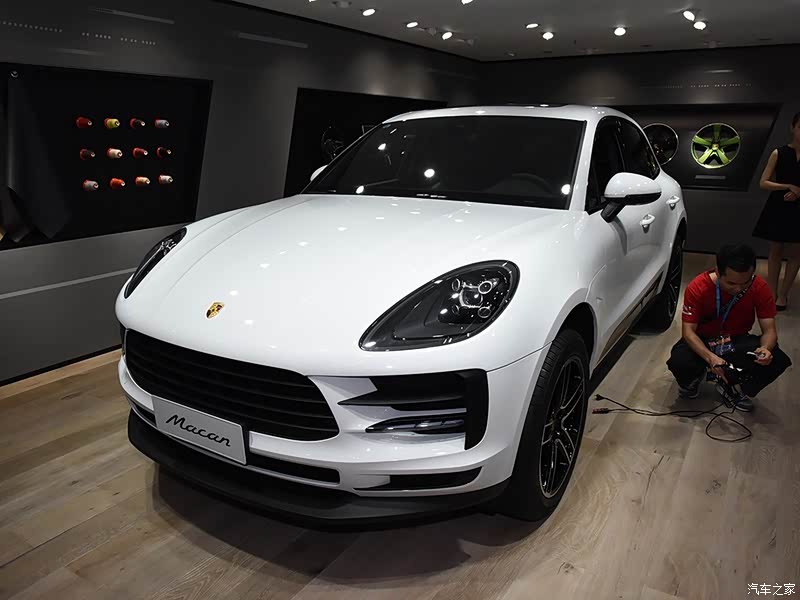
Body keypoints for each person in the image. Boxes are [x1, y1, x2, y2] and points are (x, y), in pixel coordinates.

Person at [666, 243, 792, 411]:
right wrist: (710, 358)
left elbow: (769, 330)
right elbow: (688, 332)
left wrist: (765, 348)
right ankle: (693, 378)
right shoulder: (698, 287)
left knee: (776, 358)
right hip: (703, 339)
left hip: (734, 340)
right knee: (679, 360)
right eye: (731, 283)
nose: (738, 288)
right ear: (718, 272)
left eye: (745, 282)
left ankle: (734, 387)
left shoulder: (759, 287)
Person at [752, 111, 800, 311]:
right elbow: (763, 182)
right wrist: (787, 186)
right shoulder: (778, 153)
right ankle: (771, 292)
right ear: (792, 128)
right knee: (776, 250)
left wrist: (798, 192)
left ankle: (783, 294)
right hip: (779, 204)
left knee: (796, 251)